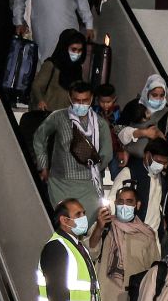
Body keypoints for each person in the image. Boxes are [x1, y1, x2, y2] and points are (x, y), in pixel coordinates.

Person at [32, 80, 113, 217]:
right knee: (64, 223)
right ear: (70, 98)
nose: (81, 104)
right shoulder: (58, 117)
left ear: (92, 99)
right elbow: (39, 137)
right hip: (60, 183)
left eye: (85, 100)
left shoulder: (101, 124)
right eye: (77, 100)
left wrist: (94, 168)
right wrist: (43, 166)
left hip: (89, 184)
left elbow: (107, 153)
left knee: (86, 226)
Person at [109, 137, 168, 244]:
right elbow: (112, 204)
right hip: (131, 237)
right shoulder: (129, 173)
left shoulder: (161, 179)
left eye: (165, 163)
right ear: (148, 155)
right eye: (159, 161)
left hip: (153, 238)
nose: (162, 166)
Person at [118, 74, 168, 157]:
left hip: (157, 160)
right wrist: (142, 133)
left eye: (162, 95)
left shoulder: (167, 111)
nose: (158, 99)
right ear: (147, 92)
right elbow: (118, 129)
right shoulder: (135, 106)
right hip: (132, 158)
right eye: (154, 95)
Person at [31, 29, 87, 113]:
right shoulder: (51, 65)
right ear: (65, 47)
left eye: (80, 50)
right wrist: (41, 101)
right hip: (48, 114)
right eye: (73, 49)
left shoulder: (77, 69)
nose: (77, 54)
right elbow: (37, 86)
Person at [93, 83, 127, 177]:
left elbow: (122, 133)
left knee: (116, 173)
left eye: (108, 102)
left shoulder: (118, 113)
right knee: (97, 173)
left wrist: (122, 150)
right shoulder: (94, 112)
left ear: (114, 99)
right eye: (102, 102)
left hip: (114, 149)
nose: (105, 105)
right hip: (97, 149)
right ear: (97, 100)